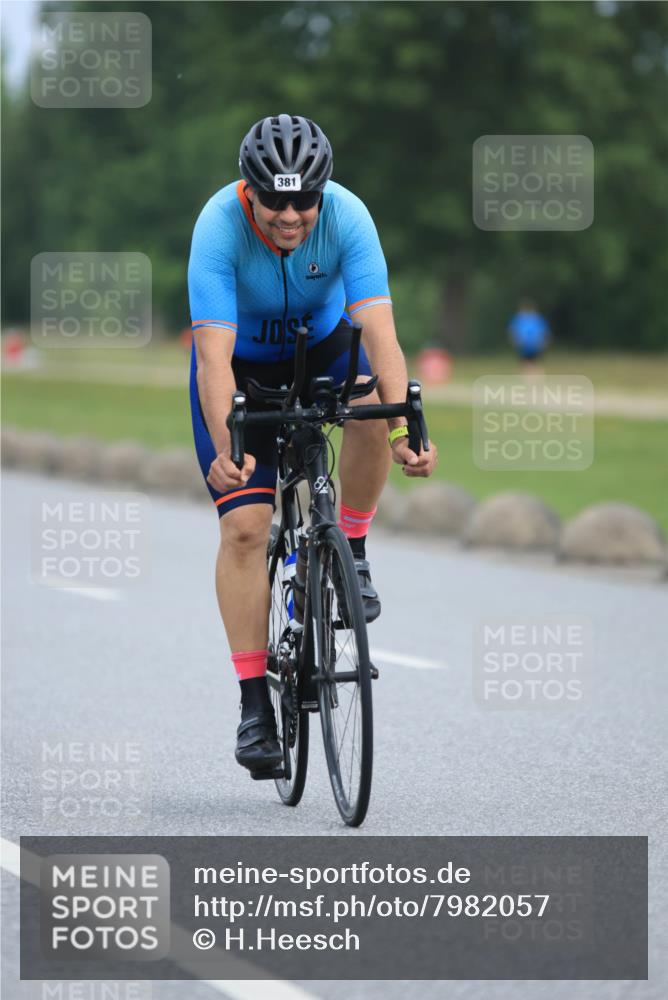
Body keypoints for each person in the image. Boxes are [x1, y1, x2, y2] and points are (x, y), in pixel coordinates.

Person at [187, 114, 438, 775]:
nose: (291, 215)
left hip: (325, 354)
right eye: (275, 200)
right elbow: (212, 360)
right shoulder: (217, 227)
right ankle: (252, 708)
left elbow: (381, 335)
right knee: (244, 526)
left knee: (371, 404)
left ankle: (350, 547)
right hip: (240, 373)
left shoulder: (350, 218)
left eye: (305, 200)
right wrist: (227, 446)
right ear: (250, 191)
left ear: (322, 193)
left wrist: (406, 429)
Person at [507, 299, 551, 377]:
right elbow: (513, 331)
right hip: (525, 345)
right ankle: (531, 381)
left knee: (533, 363)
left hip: (534, 345)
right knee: (527, 363)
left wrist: (543, 342)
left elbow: (544, 332)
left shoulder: (536, 319)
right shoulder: (520, 318)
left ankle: (535, 380)